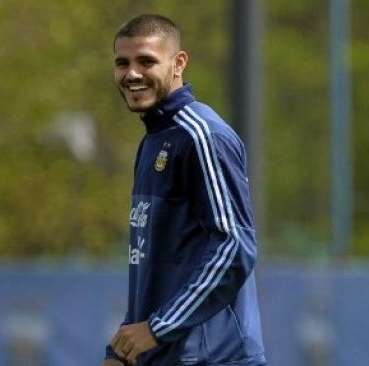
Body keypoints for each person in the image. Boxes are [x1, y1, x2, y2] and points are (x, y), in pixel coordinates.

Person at [103, 14, 266, 366]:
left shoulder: (202, 135)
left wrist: (157, 328)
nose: (132, 74)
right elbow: (154, 265)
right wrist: (122, 349)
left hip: (213, 359)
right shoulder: (153, 142)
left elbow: (235, 246)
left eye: (146, 61)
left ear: (178, 63)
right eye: (122, 63)